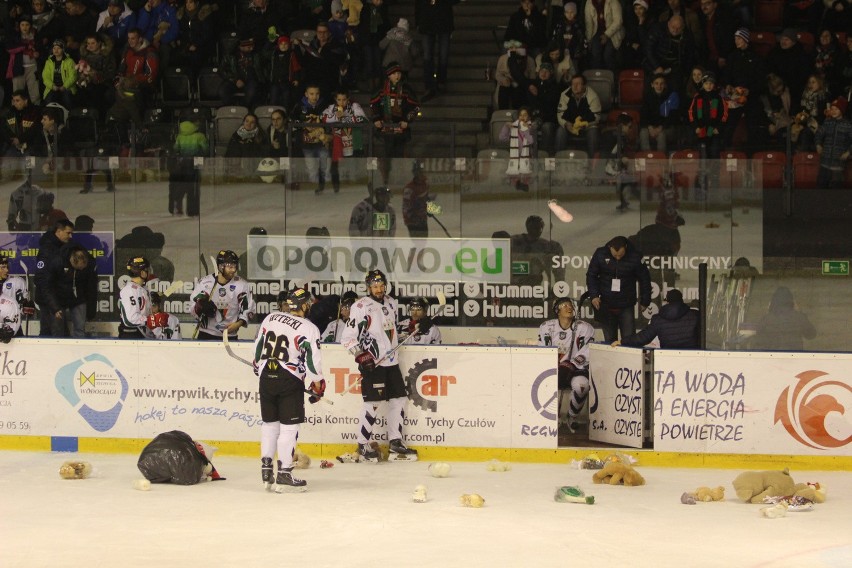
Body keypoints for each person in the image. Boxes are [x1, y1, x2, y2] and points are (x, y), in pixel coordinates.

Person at [340, 269, 418, 462]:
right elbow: (347, 338)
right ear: (368, 287)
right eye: (375, 286)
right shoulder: (361, 306)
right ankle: (363, 445)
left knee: (399, 399)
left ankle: (395, 442)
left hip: (391, 362)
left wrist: (412, 330)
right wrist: (361, 355)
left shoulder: (391, 302)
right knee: (372, 404)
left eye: (382, 285)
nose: (379, 289)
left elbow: (390, 333)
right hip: (373, 363)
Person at [254, 287, 327, 492]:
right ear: (303, 305)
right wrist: (318, 382)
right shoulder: (309, 328)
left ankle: (267, 468)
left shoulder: (271, 318)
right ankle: (285, 473)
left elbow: (258, 347)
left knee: (270, 424)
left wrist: (257, 364)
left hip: (266, 376)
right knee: (289, 427)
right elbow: (313, 362)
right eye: (308, 303)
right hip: (289, 379)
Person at [538, 297, 595, 432]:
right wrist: (555, 366)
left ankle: (572, 416)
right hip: (553, 367)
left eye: (570, 306)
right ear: (557, 311)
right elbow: (542, 350)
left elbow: (588, 350)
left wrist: (572, 364)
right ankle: (551, 418)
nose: (569, 308)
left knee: (582, 386)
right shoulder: (546, 327)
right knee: (543, 385)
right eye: (564, 306)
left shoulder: (585, 328)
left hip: (577, 369)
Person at [586, 235, 651, 343]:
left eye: (620, 255)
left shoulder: (635, 256)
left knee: (629, 339)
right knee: (609, 340)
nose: (617, 258)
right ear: (610, 248)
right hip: (605, 303)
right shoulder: (600, 253)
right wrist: (594, 296)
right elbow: (591, 275)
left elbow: (645, 279)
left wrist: (645, 301)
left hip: (626, 304)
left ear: (625, 247)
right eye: (615, 255)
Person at [370, 62, 420, 184]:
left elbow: (415, 107)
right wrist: (376, 119)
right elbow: (373, 104)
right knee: (387, 154)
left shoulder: (406, 90)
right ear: (388, 75)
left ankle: (400, 179)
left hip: (400, 128)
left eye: (398, 73)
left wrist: (406, 120)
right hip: (386, 128)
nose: (397, 76)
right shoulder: (381, 89)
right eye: (394, 73)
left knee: (399, 153)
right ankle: (387, 179)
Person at [34, 242, 97, 338]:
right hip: (59, 298)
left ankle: (79, 351)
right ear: (72, 261)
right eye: (78, 268)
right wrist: (55, 308)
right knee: (58, 329)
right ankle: (59, 351)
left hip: (78, 298)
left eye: (82, 269)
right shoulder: (57, 261)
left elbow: (91, 287)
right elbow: (47, 286)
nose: (80, 270)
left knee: (80, 328)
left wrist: (91, 311)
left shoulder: (90, 264)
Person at [190, 250, 256, 340]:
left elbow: (248, 308)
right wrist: (200, 307)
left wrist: (238, 324)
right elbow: (192, 306)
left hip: (229, 336)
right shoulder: (204, 282)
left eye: (235, 266)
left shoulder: (242, 285)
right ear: (220, 267)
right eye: (230, 267)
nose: (233, 270)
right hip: (206, 334)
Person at [614, 289, 699, 348]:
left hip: (666, 357)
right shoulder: (695, 315)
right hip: (693, 357)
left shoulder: (658, 319)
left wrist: (622, 341)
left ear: (667, 302)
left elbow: (643, 338)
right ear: (681, 300)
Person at [322, 89, 369, 193]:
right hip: (337, 142)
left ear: (348, 99)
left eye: (344, 99)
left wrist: (344, 119)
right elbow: (323, 118)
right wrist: (336, 117)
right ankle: (336, 189)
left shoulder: (354, 106)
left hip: (352, 142)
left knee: (353, 167)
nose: (341, 102)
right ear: (335, 99)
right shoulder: (331, 108)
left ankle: (355, 189)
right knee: (335, 167)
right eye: (339, 99)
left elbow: (364, 119)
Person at [291, 84, 331, 193]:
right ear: (306, 94)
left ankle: (326, 189)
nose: (315, 96)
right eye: (311, 94)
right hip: (307, 144)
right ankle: (315, 188)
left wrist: (326, 135)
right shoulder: (299, 106)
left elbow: (330, 121)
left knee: (325, 166)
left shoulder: (325, 105)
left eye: (317, 94)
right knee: (311, 168)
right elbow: (292, 121)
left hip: (321, 143)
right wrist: (303, 124)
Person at [415, 0, 458, 99]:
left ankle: (440, 81)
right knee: (428, 55)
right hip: (428, 19)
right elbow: (418, 3)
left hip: (442, 18)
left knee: (442, 54)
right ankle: (430, 85)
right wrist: (417, 20)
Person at [751, 287, 817, 351]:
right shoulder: (799, 317)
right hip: (795, 359)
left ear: (773, 301)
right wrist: (800, 312)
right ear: (791, 301)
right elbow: (811, 335)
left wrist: (769, 312)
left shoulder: (767, 318)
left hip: (772, 359)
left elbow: (758, 340)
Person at [510, 215, 565, 286]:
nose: (539, 230)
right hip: (514, 287)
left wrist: (559, 286)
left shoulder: (548, 246)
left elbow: (559, 272)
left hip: (533, 288)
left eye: (540, 227)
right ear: (528, 227)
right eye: (535, 227)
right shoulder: (514, 241)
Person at [170, 118, 208, 216]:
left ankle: (177, 208)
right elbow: (205, 149)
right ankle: (193, 211)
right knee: (194, 187)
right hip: (196, 162)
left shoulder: (179, 137)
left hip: (183, 163)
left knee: (182, 186)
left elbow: (175, 149)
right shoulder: (200, 136)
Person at [555, 74, 601, 156]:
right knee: (560, 131)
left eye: (578, 84)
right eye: (573, 84)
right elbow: (560, 114)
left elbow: (596, 117)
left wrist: (583, 125)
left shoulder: (593, 96)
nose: (575, 86)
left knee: (593, 132)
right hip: (570, 125)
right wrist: (566, 124)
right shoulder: (564, 95)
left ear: (584, 85)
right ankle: (558, 160)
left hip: (586, 126)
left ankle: (593, 163)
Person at [815, 97, 852, 189]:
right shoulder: (827, 122)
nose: (834, 111)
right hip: (825, 162)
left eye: (836, 109)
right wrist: (818, 144)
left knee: (836, 191)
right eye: (832, 109)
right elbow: (818, 134)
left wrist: (848, 152)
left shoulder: (848, 125)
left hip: (838, 164)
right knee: (820, 188)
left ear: (842, 110)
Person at [499, 106, 536, 191]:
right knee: (515, 190)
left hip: (527, 163)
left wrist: (526, 129)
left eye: (525, 115)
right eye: (520, 115)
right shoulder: (514, 129)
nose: (522, 117)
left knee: (526, 187)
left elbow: (531, 141)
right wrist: (506, 126)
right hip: (515, 163)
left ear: (529, 117)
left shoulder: (532, 127)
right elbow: (502, 138)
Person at [118, 256, 153, 339]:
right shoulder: (129, 290)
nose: (150, 273)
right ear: (142, 273)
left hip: (141, 333)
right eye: (147, 270)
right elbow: (130, 319)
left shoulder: (142, 289)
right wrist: (150, 320)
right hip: (131, 336)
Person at [1, 90, 42, 158]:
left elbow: (35, 129)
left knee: (30, 167)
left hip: (30, 147)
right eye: (13, 101)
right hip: (13, 147)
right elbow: (3, 128)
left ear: (25, 101)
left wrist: (20, 139)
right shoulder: (9, 112)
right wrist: (13, 140)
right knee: (7, 166)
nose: (14, 103)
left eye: (17, 100)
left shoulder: (35, 112)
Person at [0, 256, 34, 337]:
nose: (7, 270)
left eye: (7, 267)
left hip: (12, 325)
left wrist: (27, 308)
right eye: (3, 267)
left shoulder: (17, 282)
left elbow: (22, 309)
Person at [41, 39, 77, 109]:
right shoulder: (48, 62)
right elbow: (45, 77)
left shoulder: (70, 61)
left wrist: (64, 86)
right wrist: (52, 86)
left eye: (59, 48)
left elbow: (73, 76)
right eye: (54, 48)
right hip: (52, 88)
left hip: (67, 87)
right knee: (48, 102)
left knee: (67, 101)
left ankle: (68, 117)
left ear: (63, 49)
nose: (56, 50)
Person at [402, 160, 433, 238]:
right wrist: (410, 219)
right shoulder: (409, 189)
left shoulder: (426, 183)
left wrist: (428, 208)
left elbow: (426, 198)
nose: (420, 173)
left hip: (422, 219)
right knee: (417, 244)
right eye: (417, 171)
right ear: (414, 172)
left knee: (423, 244)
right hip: (413, 221)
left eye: (421, 171)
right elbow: (406, 208)